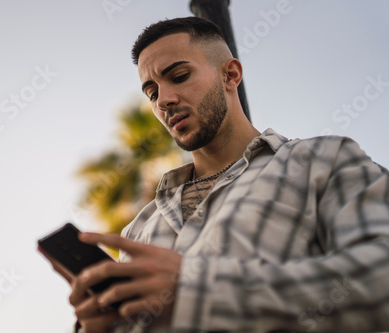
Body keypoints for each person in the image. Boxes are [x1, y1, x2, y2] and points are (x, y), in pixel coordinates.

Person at [41, 17, 389, 332]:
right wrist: (94, 327)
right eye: (152, 92)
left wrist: (199, 291)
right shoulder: (140, 227)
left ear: (230, 74)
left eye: (179, 77)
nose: (164, 100)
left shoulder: (322, 160)